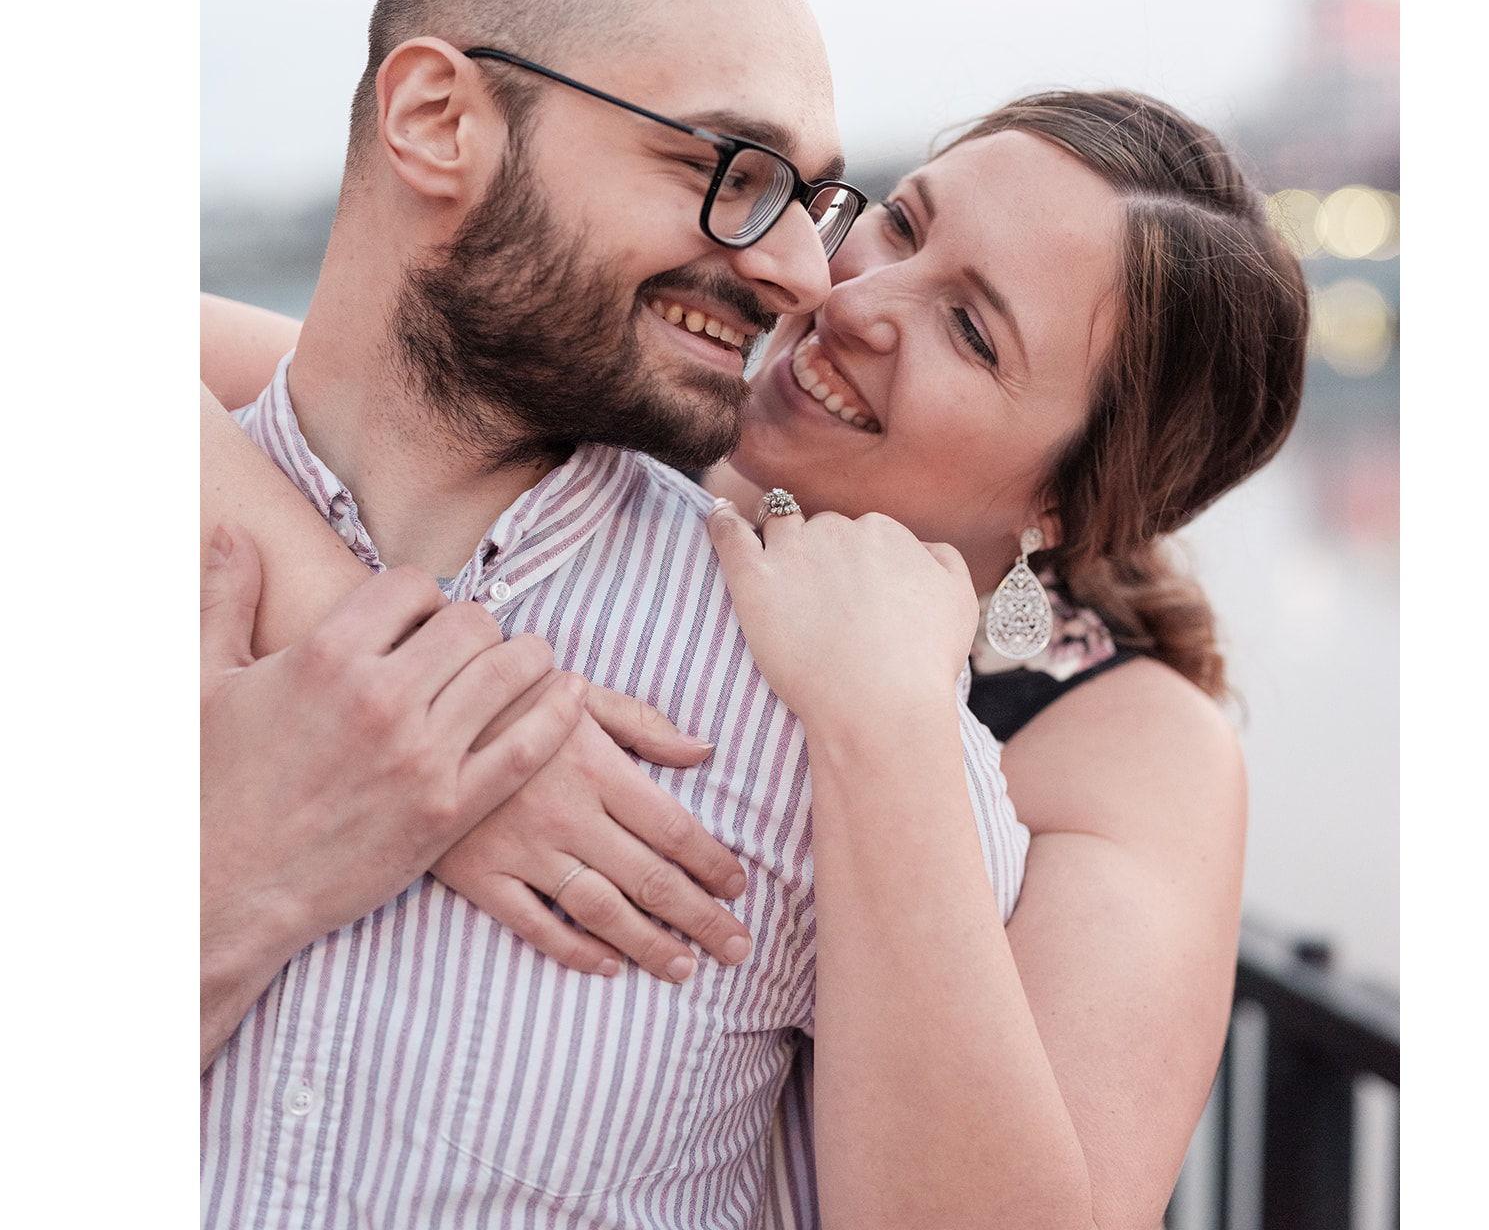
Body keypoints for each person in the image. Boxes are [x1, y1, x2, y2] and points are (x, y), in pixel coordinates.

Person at [205, 80, 1308, 1226]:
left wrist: (881, 718)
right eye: (903, 223)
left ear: (1068, 500)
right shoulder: (618, 447)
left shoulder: (1123, 740)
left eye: (972, 330)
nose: (855, 297)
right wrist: (455, 734)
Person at [199, 0, 1031, 1230]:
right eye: (730, 169)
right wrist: (232, 884)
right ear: (437, 122)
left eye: (811, 202)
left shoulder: (837, 735)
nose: (804, 274)